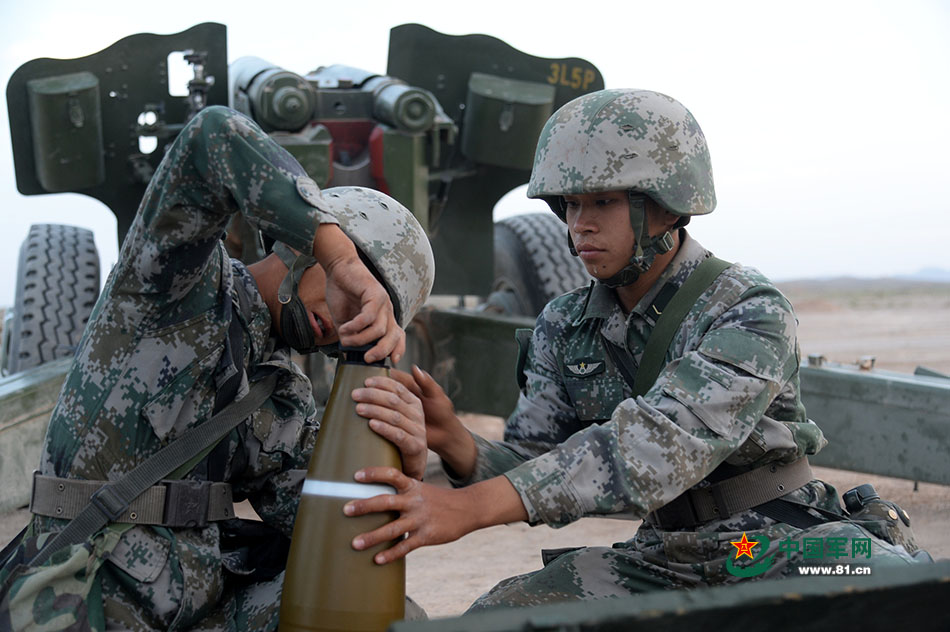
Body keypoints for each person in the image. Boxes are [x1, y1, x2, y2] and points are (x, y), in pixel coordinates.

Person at [343, 89, 929, 608]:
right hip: (667, 554)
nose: (579, 225)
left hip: (782, 538)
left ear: (667, 206)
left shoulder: (747, 308)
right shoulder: (563, 324)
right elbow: (545, 467)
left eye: (602, 202)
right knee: (502, 617)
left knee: (898, 601)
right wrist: (455, 439)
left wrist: (465, 510)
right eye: (570, 206)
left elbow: (654, 448)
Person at [0, 105, 434, 630]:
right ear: (304, 247)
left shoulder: (283, 396)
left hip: (200, 611)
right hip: (85, 601)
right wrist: (342, 257)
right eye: (360, 287)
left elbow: (336, 532)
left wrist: (399, 468)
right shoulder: (174, 290)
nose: (349, 318)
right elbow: (211, 137)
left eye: (372, 310)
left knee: (380, 619)